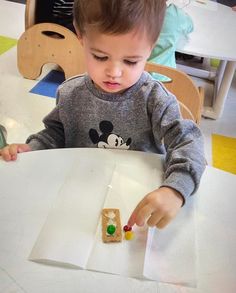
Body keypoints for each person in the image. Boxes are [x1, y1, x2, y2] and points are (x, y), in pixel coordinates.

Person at [0, 0, 205, 230]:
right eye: (100, 56)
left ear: (151, 46)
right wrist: (33, 148)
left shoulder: (155, 100)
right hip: (79, 198)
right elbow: (55, 133)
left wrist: (175, 189)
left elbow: (189, 141)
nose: (114, 72)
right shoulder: (70, 93)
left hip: (137, 203)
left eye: (130, 61)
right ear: (80, 36)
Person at [148, 2, 193, 81]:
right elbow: (190, 27)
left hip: (136, 76)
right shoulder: (176, 15)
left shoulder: (132, 11)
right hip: (166, 78)